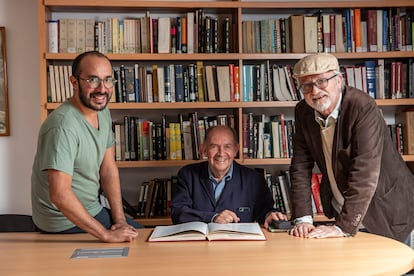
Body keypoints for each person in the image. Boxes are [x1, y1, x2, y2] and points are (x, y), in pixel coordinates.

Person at [288, 53, 414, 243]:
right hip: (344, 212)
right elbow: (300, 166)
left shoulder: (363, 107)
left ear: (338, 80)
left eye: (322, 81)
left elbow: (365, 171)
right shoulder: (303, 111)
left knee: (394, 270)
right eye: (307, 85)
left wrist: (342, 227)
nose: (315, 91)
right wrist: (304, 218)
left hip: (387, 211)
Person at [31, 51, 142, 242]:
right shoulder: (62, 126)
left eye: (108, 80)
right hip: (61, 219)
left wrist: (120, 219)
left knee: (139, 234)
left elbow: (107, 169)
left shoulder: (102, 111)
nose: (102, 89)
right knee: (140, 242)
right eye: (92, 79)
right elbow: (60, 195)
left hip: (91, 207)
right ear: (74, 82)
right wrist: (106, 234)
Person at [171, 125, 287, 228]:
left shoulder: (254, 179)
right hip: (197, 247)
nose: (221, 153)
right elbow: (178, 213)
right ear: (204, 150)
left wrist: (270, 215)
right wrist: (213, 218)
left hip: (238, 248)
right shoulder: (187, 175)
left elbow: (264, 211)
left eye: (227, 146)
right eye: (214, 146)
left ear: (236, 150)